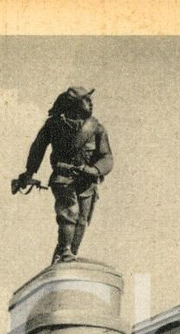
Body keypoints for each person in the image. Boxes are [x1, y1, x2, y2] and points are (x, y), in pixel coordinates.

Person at [17, 86, 113, 264]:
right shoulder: (54, 124)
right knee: (70, 213)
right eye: (86, 100)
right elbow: (38, 149)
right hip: (63, 177)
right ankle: (65, 251)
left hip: (87, 181)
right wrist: (29, 173)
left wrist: (95, 170)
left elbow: (107, 156)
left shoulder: (96, 128)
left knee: (82, 220)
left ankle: (66, 255)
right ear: (73, 103)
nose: (90, 103)